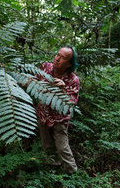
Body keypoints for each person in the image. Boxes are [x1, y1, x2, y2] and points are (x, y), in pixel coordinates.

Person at [35, 46, 80, 174]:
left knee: (62, 148)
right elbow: (33, 80)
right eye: (57, 55)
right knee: (47, 145)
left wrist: (63, 89)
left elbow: (71, 104)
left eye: (63, 58)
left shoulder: (73, 80)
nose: (57, 59)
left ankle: (72, 174)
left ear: (69, 64)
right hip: (43, 113)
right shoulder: (45, 67)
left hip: (59, 119)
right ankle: (52, 168)